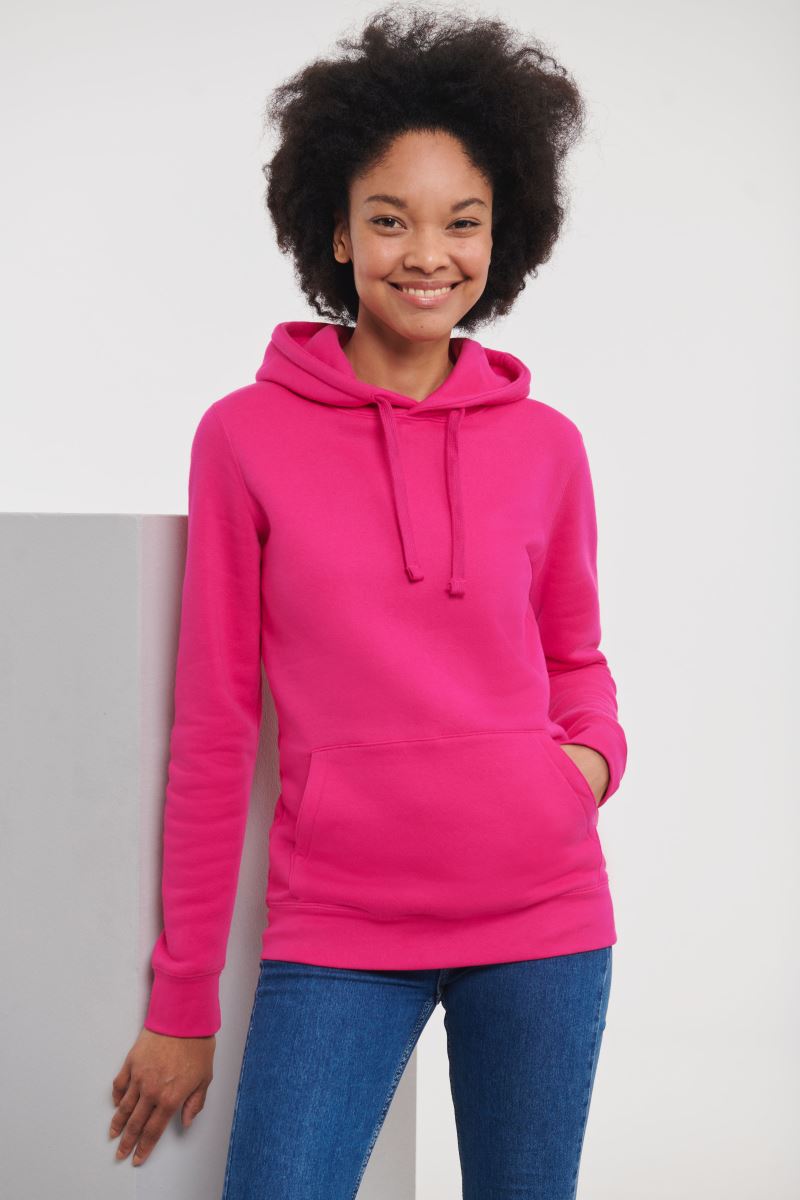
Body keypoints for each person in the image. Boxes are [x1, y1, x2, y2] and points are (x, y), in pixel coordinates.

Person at [109, 8, 627, 1197]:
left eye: (462, 220)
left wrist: (585, 765)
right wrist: (183, 1000)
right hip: (338, 927)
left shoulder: (547, 445)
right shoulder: (243, 438)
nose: (425, 254)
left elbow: (575, 660)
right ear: (335, 231)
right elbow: (215, 726)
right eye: (389, 219)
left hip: (544, 920)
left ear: (503, 232)